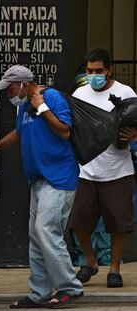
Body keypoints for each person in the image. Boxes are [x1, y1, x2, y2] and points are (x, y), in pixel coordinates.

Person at [0, 65, 83, 308]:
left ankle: (70, 287)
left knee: (46, 231)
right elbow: (19, 133)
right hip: (39, 179)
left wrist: (42, 106)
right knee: (36, 236)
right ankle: (39, 292)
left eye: (11, 88)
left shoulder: (51, 97)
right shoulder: (24, 106)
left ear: (23, 84)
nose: (9, 93)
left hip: (59, 178)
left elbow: (65, 131)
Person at [69, 48, 137, 288]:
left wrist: (134, 134)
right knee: (77, 220)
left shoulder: (125, 92)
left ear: (109, 70)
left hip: (118, 169)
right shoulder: (79, 93)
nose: (94, 75)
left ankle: (115, 270)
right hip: (86, 169)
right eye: (90, 71)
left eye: (98, 71)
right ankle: (90, 262)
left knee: (118, 224)